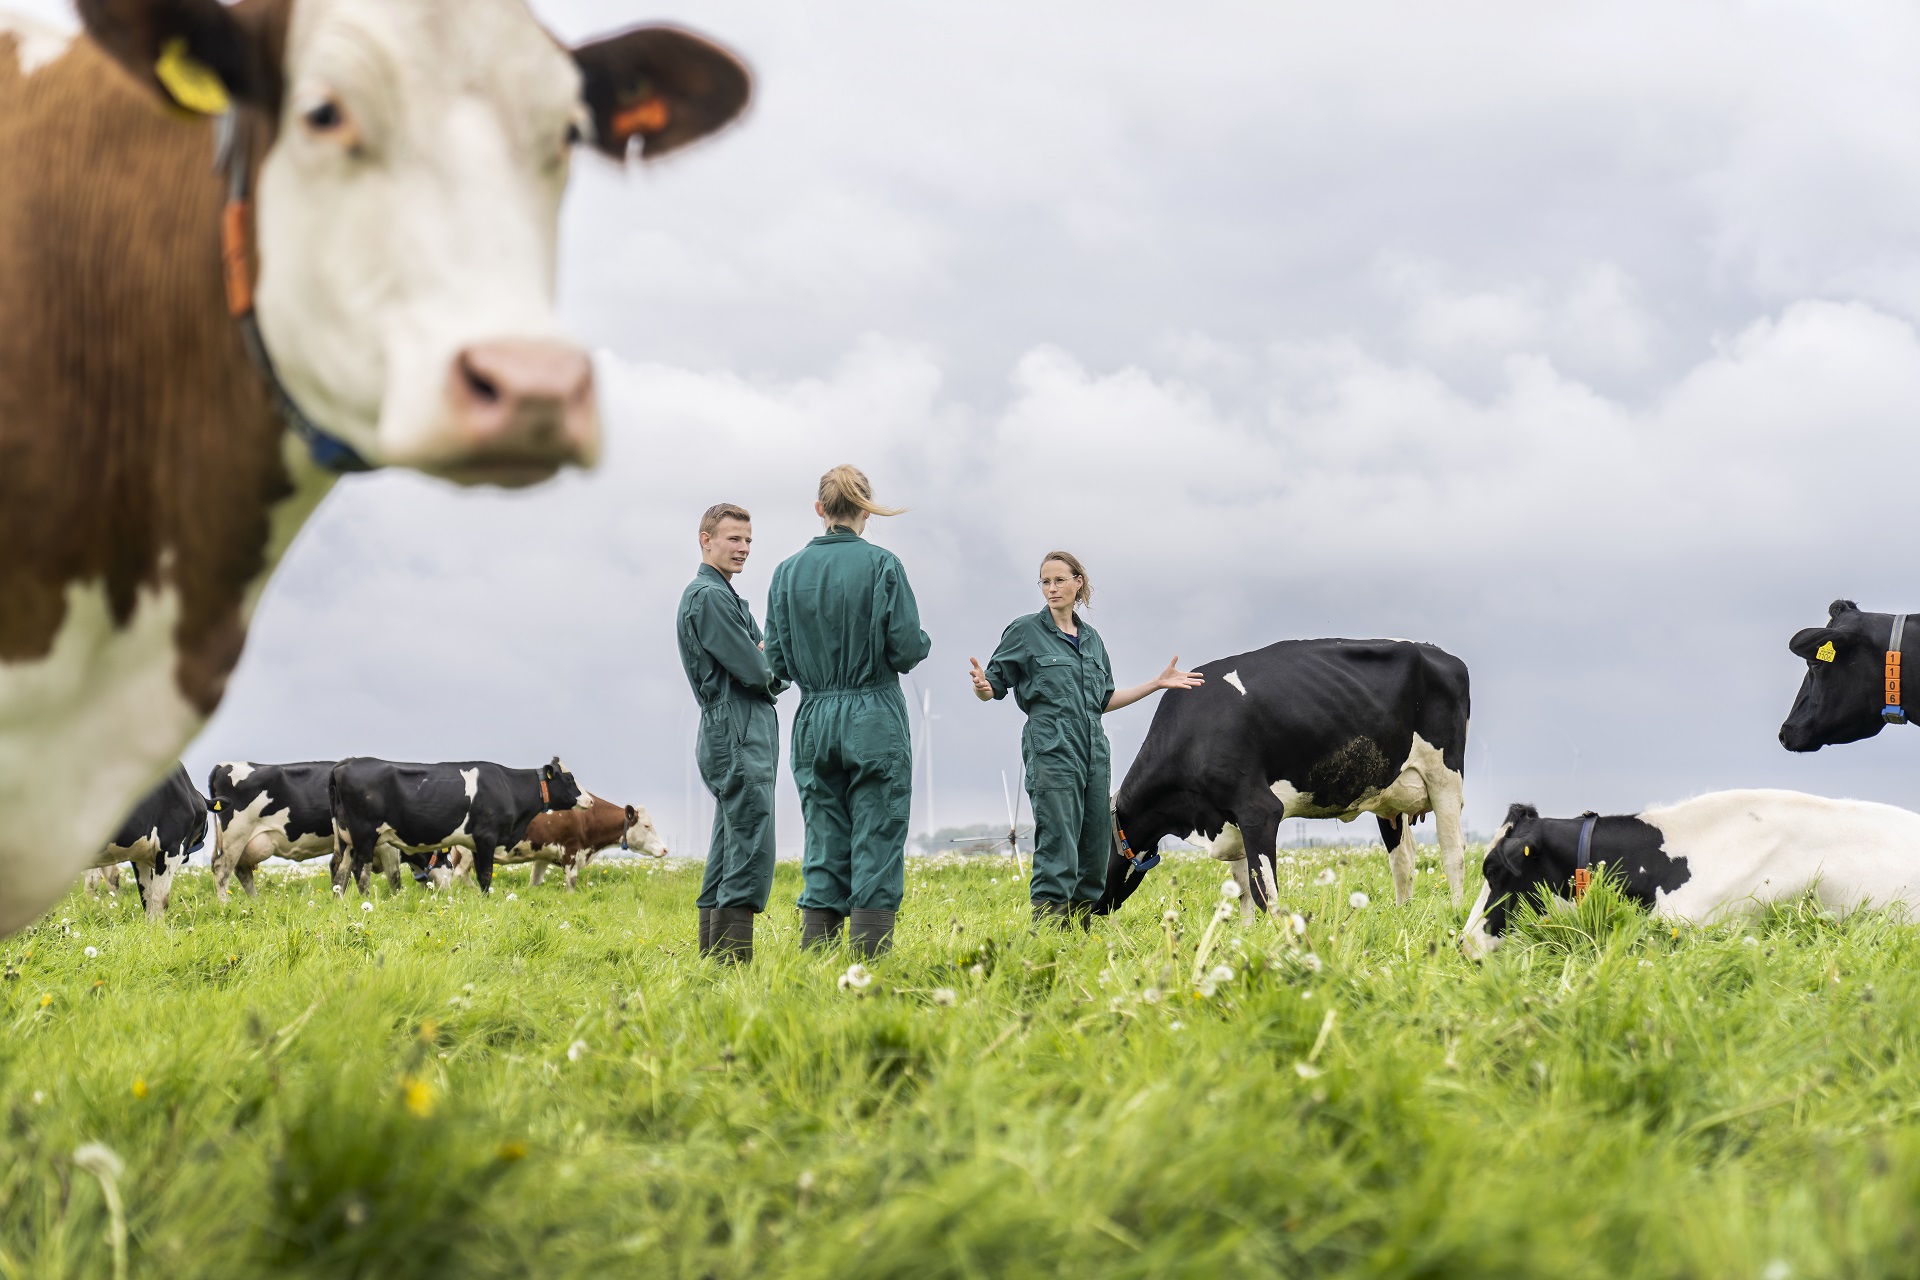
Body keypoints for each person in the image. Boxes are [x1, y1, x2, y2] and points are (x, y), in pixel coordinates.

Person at [969, 551, 1203, 927]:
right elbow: (992, 685)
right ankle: (1048, 929)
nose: (1052, 588)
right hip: (1051, 744)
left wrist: (1156, 684)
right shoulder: (1025, 631)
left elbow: (1104, 700)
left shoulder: (1092, 639)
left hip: (1094, 747)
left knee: (1095, 844)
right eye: (1045, 581)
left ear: (1078, 582)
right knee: (1058, 839)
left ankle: (1079, 928)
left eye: (1060, 580)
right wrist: (982, 686)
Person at [764, 465, 931, 958]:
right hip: (872, 715)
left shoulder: (786, 572)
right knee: (876, 834)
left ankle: (816, 957)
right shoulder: (883, 565)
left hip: (813, 717)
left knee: (823, 837)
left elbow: (776, 663)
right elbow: (904, 648)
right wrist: (922, 641)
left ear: (820, 510)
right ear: (865, 510)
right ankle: (867, 962)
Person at [676, 502, 786, 962]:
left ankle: (713, 960)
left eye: (748, 541)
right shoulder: (710, 597)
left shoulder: (723, 595)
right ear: (706, 539)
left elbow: (765, 660)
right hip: (737, 726)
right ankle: (731, 961)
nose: (743, 549)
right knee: (750, 838)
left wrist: (764, 659)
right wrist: (765, 661)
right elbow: (761, 670)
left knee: (729, 841)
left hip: (734, 725)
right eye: (733, 539)